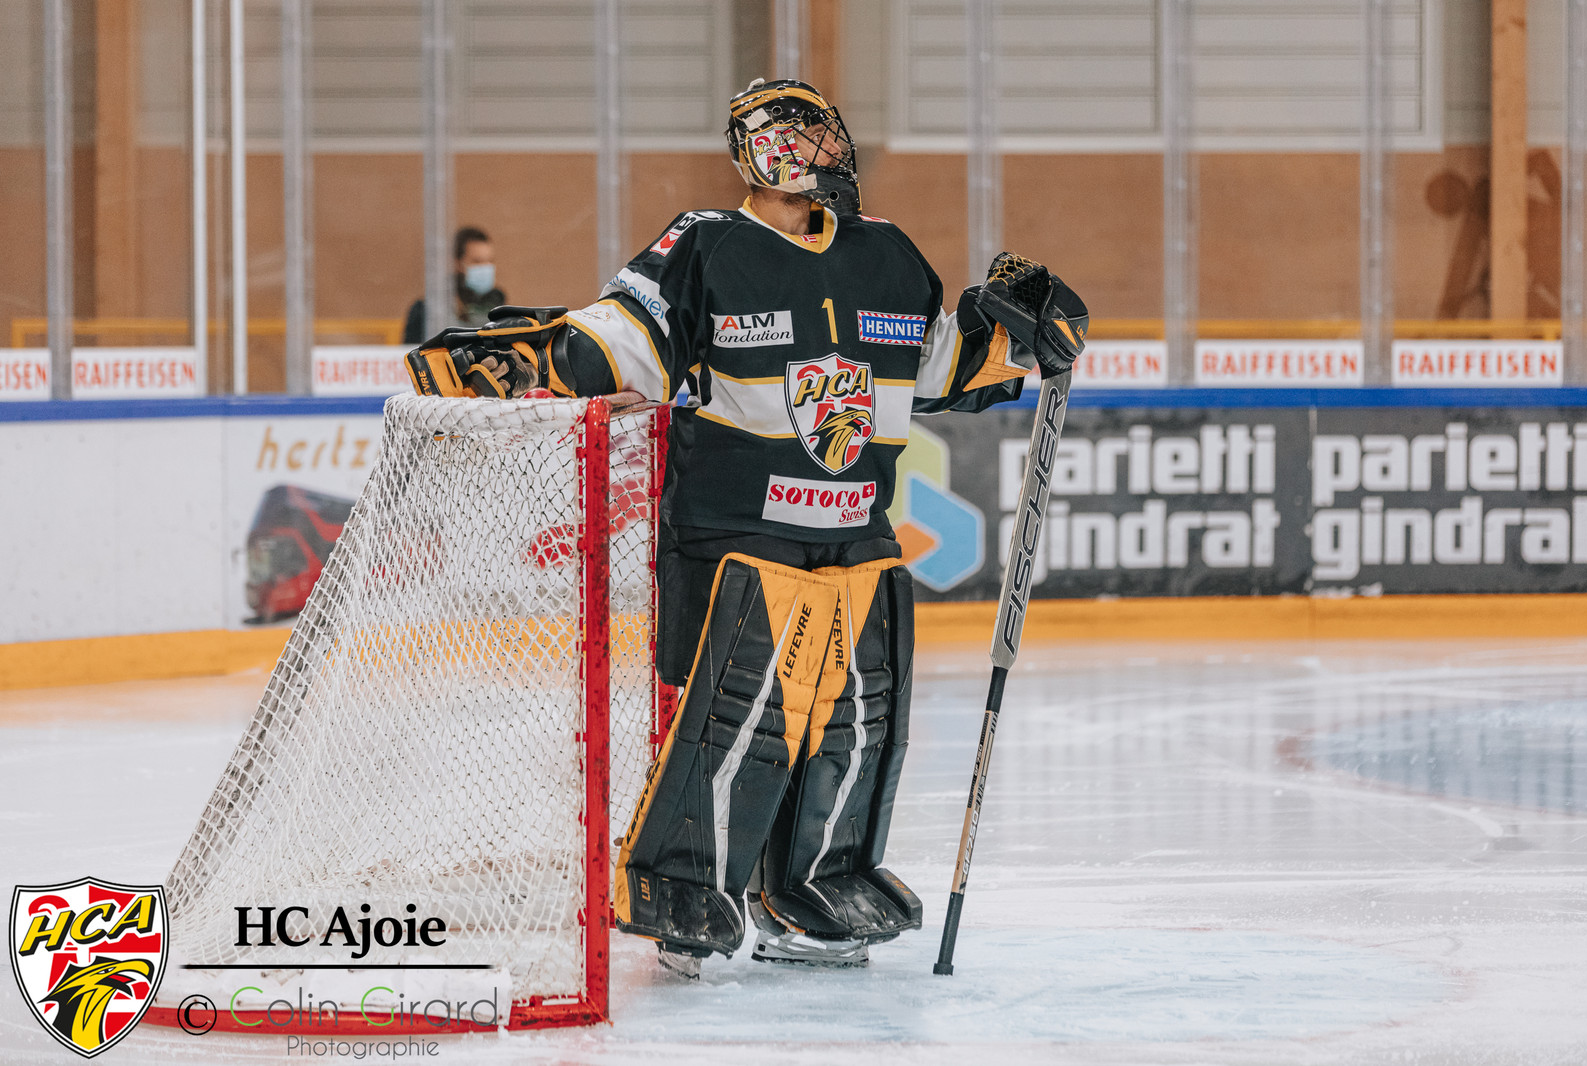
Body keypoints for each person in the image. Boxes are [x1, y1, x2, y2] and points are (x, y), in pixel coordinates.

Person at [406, 78, 1088, 976]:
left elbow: (934, 366)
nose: (824, 148)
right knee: (737, 725)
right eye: (804, 133)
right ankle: (686, 889)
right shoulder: (707, 244)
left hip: (856, 530)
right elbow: (625, 338)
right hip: (737, 532)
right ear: (765, 150)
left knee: (852, 724)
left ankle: (815, 888)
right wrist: (532, 357)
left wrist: (1014, 336)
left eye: (825, 131)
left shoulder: (885, 252)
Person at [401, 226, 507, 344]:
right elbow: (410, 351)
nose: (486, 267)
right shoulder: (428, 308)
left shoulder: (498, 305)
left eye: (490, 261)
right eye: (477, 261)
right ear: (457, 263)